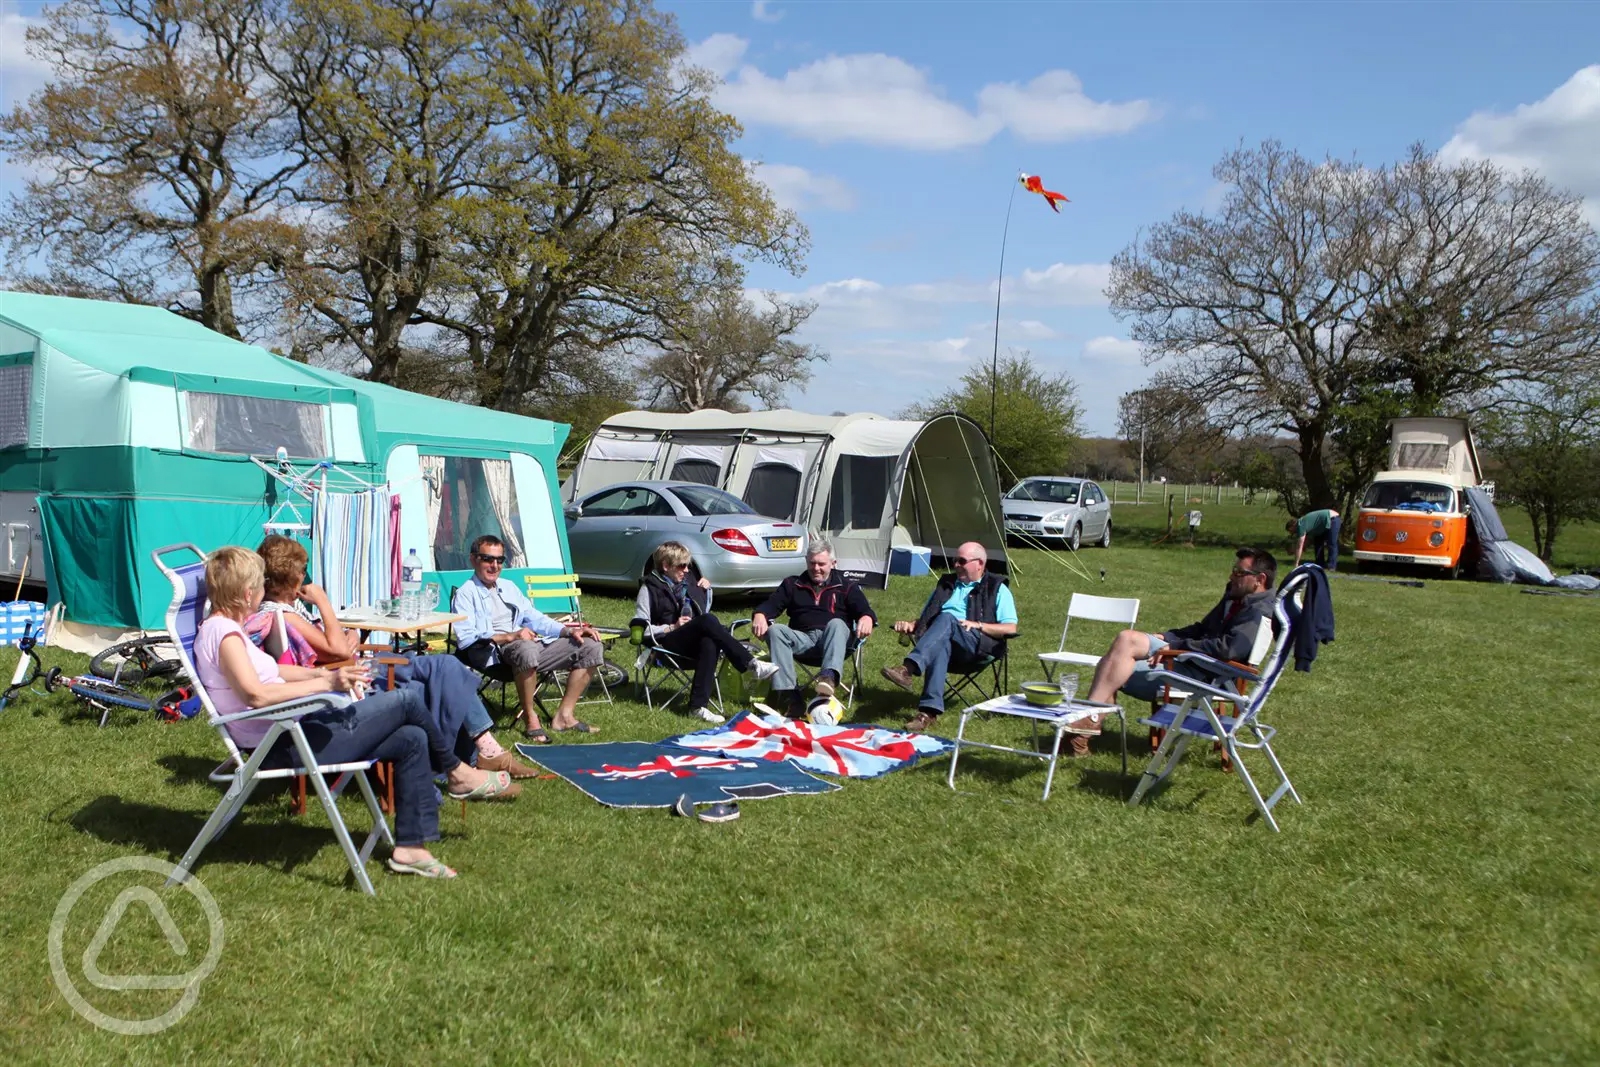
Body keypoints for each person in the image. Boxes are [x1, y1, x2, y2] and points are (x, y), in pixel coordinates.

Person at [195, 546, 518, 881]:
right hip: (283, 744)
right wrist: (328, 682)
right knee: (406, 700)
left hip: (294, 728)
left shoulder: (226, 629)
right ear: (248, 593)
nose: (264, 590)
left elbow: (274, 672)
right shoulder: (226, 636)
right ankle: (457, 772)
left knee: (411, 738)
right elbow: (257, 694)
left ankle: (411, 848)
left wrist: (323, 677)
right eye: (259, 585)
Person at [249, 535, 536, 780]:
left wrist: (344, 639)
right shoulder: (284, 615)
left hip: (352, 669)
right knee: (446, 668)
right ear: (293, 575)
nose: (305, 575)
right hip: (351, 680)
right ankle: (484, 752)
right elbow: (338, 649)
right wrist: (323, 602)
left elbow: (343, 641)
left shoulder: (282, 611)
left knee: (445, 673)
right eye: (302, 569)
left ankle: (479, 754)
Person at [1077, 547, 1278, 757]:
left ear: (1260, 579)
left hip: (1208, 674)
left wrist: (1177, 647)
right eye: (1233, 570)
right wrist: (1169, 637)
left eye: (1239, 573)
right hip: (1192, 661)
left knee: (1110, 666)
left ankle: (1084, 727)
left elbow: (1228, 649)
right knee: (1126, 639)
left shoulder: (1259, 611)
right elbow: (1203, 629)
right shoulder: (1236, 597)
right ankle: (1089, 721)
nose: (1232, 576)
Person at [452, 533, 605, 742]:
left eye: (500, 560)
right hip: (496, 654)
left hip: (529, 647)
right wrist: (510, 636)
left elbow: (537, 619)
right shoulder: (465, 594)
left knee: (589, 646)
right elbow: (466, 639)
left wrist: (570, 631)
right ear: (473, 559)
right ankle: (530, 718)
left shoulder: (509, 587)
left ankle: (564, 716)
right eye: (488, 559)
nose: (494, 565)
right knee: (526, 648)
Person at [634, 541, 779, 723]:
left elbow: (702, 609)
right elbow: (641, 627)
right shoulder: (649, 589)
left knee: (709, 642)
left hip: (690, 646)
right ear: (665, 565)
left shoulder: (687, 584)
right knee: (707, 621)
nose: (687, 570)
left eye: (688, 565)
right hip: (665, 646)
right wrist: (672, 627)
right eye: (682, 565)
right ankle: (751, 664)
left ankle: (697, 707)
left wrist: (706, 591)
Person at [880, 542, 1017, 733]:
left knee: (948, 619)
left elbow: (1010, 628)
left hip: (976, 646)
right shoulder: (946, 584)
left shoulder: (997, 588)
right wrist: (913, 624)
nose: (956, 565)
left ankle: (908, 668)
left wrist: (978, 625)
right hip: (943, 643)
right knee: (942, 642)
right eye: (955, 561)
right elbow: (928, 617)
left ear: (980, 563)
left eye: (962, 561)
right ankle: (927, 714)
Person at [749, 539, 876, 715]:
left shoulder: (846, 586)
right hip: (803, 639)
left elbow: (865, 610)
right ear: (806, 562)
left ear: (833, 563)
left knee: (837, 623)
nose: (816, 568)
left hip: (835, 641)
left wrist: (867, 618)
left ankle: (829, 678)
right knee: (776, 630)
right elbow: (771, 605)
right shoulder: (792, 584)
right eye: (812, 563)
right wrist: (760, 615)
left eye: (821, 564)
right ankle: (790, 696)